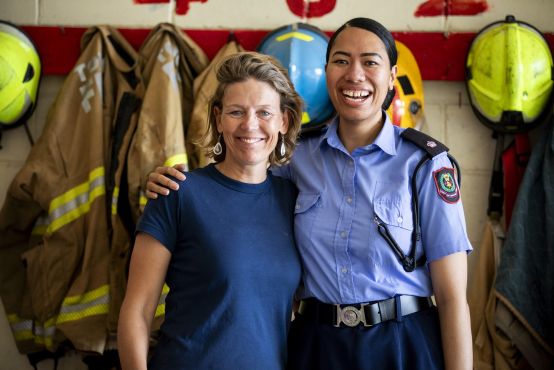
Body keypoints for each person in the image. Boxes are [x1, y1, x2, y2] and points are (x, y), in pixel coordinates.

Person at [145, 18, 473, 370]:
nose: (355, 75)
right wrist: (173, 182)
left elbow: (453, 299)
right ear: (327, 71)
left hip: (401, 343)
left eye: (370, 62)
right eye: (342, 61)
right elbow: (236, 183)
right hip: (317, 343)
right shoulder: (295, 159)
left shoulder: (425, 164)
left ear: (391, 76)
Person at [117, 51, 304, 370]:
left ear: (284, 121)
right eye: (236, 112)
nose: (250, 125)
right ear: (218, 118)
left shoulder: (294, 200)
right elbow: (138, 309)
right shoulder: (177, 192)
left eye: (264, 113)